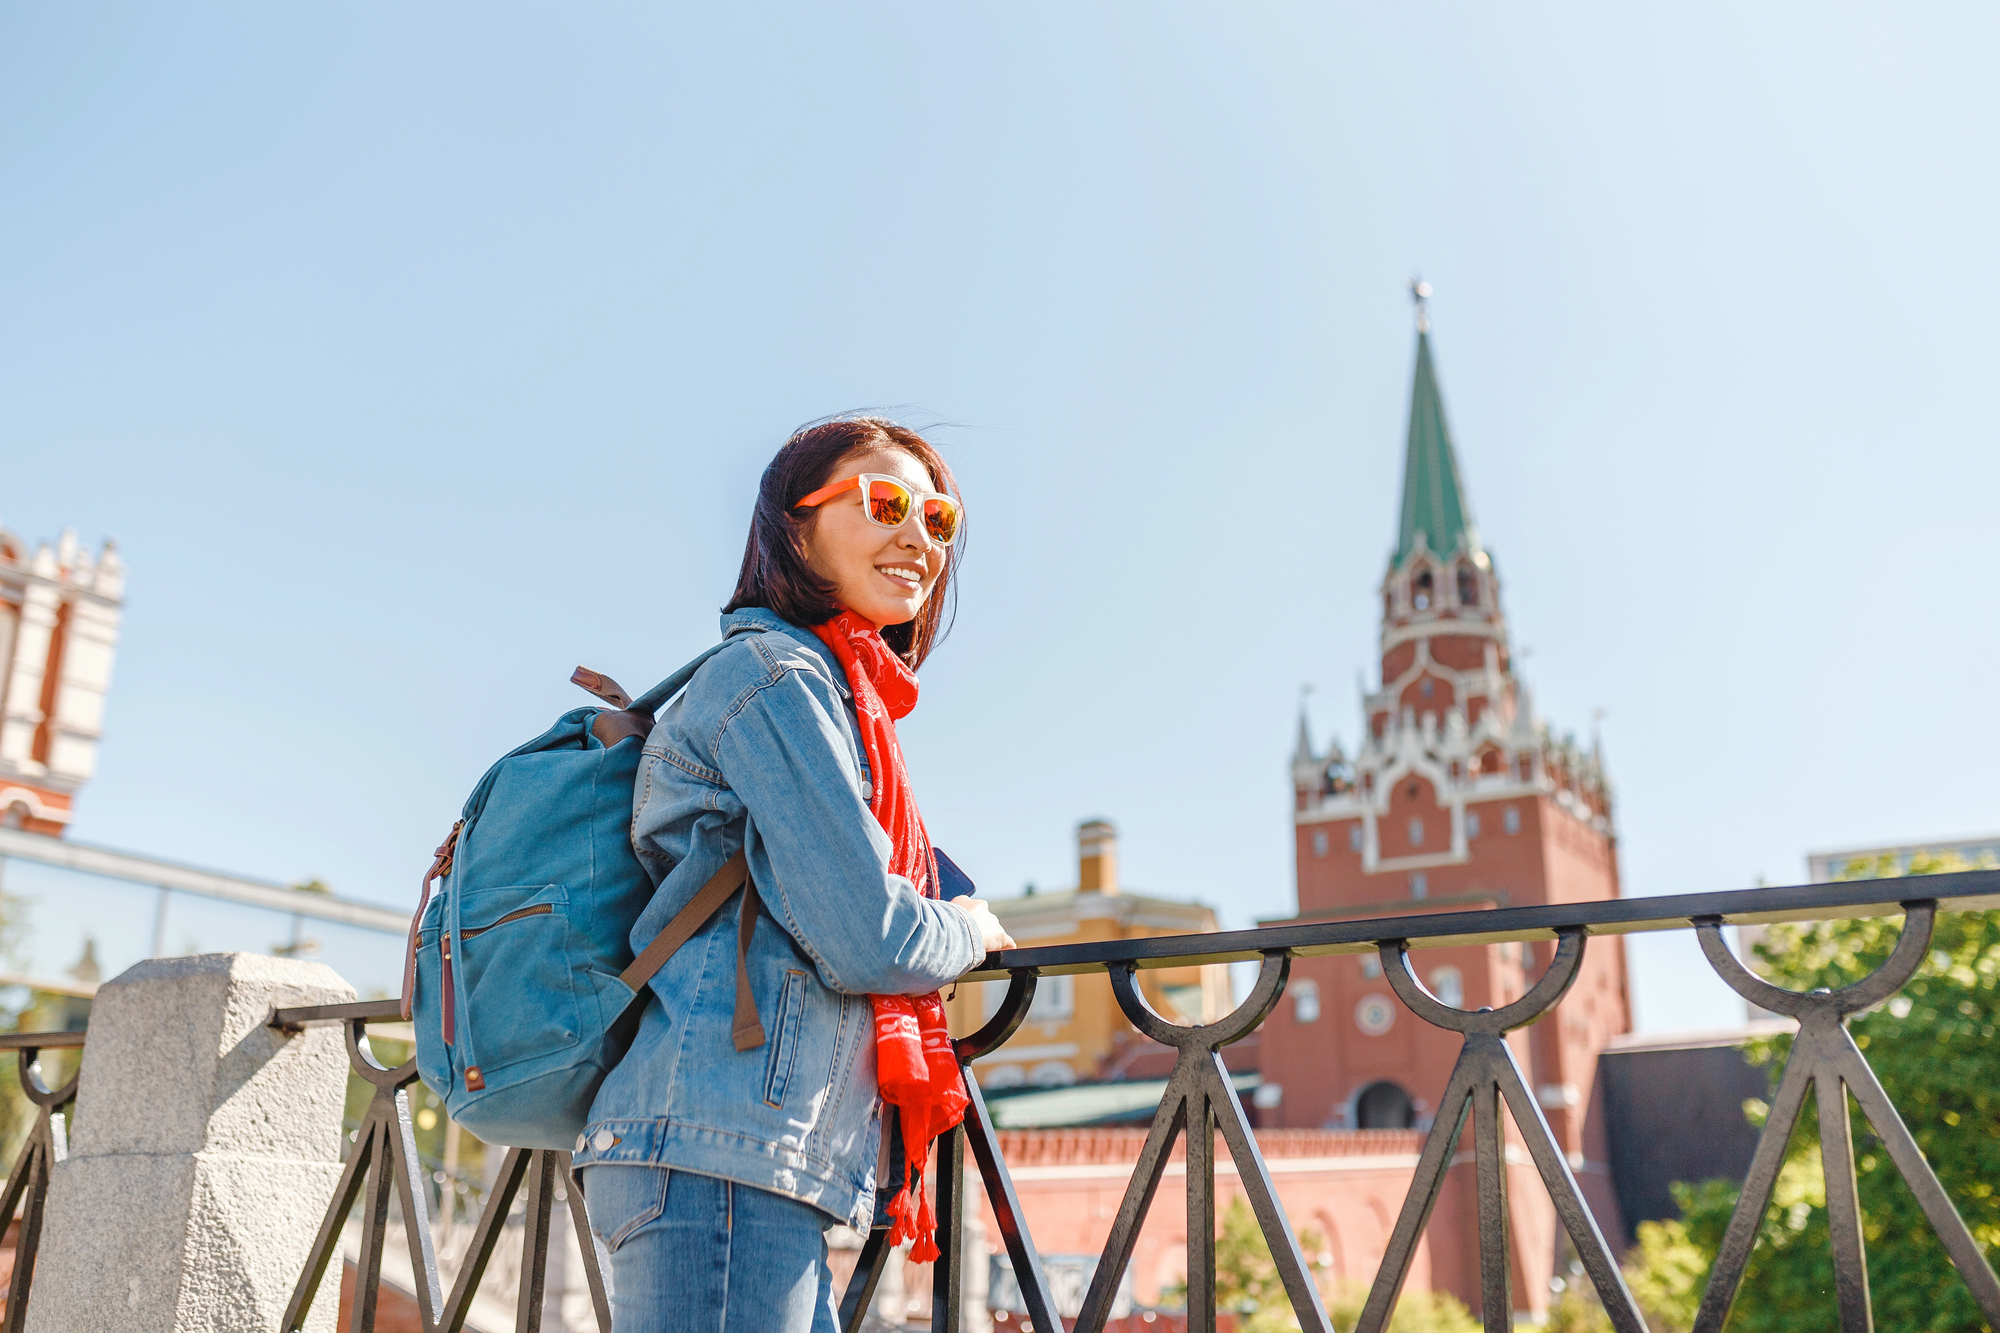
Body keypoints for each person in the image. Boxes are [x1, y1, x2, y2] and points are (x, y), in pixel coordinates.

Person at [573, 417, 1016, 1332]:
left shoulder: (822, 685)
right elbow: (873, 936)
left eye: (940, 519)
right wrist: (971, 926)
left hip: (732, 1156)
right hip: (717, 1161)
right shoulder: (778, 677)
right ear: (796, 525)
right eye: (885, 503)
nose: (920, 538)